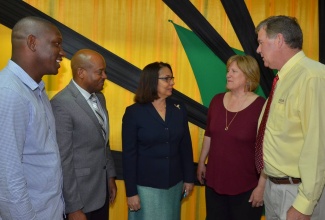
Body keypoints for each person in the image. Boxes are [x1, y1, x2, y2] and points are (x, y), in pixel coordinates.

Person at [255, 15, 325, 220]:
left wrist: (305, 204)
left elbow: (318, 146)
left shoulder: (312, 77)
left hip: (297, 192)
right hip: (274, 188)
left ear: (278, 40)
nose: (258, 50)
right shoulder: (282, 79)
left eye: (260, 42)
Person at [0, 16, 65, 219]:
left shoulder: (37, 90)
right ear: (32, 43)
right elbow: (8, 179)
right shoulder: (9, 92)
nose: (62, 53)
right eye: (56, 44)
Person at [122, 62, 194, 220]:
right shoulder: (134, 113)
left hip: (174, 184)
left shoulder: (179, 108)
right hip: (146, 187)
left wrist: (189, 178)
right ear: (152, 81)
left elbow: (185, 146)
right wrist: (131, 192)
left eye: (172, 78)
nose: (172, 83)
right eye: (167, 78)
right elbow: (129, 156)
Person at [197, 55, 266, 220]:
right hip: (214, 182)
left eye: (234, 71)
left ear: (248, 76)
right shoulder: (216, 100)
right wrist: (201, 163)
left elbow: (266, 151)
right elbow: (209, 134)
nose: (228, 74)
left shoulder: (261, 106)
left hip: (246, 187)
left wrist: (262, 186)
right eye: (228, 71)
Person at [50, 49, 117, 220]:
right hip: (80, 200)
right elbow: (63, 160)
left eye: (105, 71)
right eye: (100, 72)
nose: (105, 76)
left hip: (101, 193)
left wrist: (110, 176)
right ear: (81, 73)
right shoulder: (61, 104)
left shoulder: (100, 98)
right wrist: (73, 208)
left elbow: (104, 142)